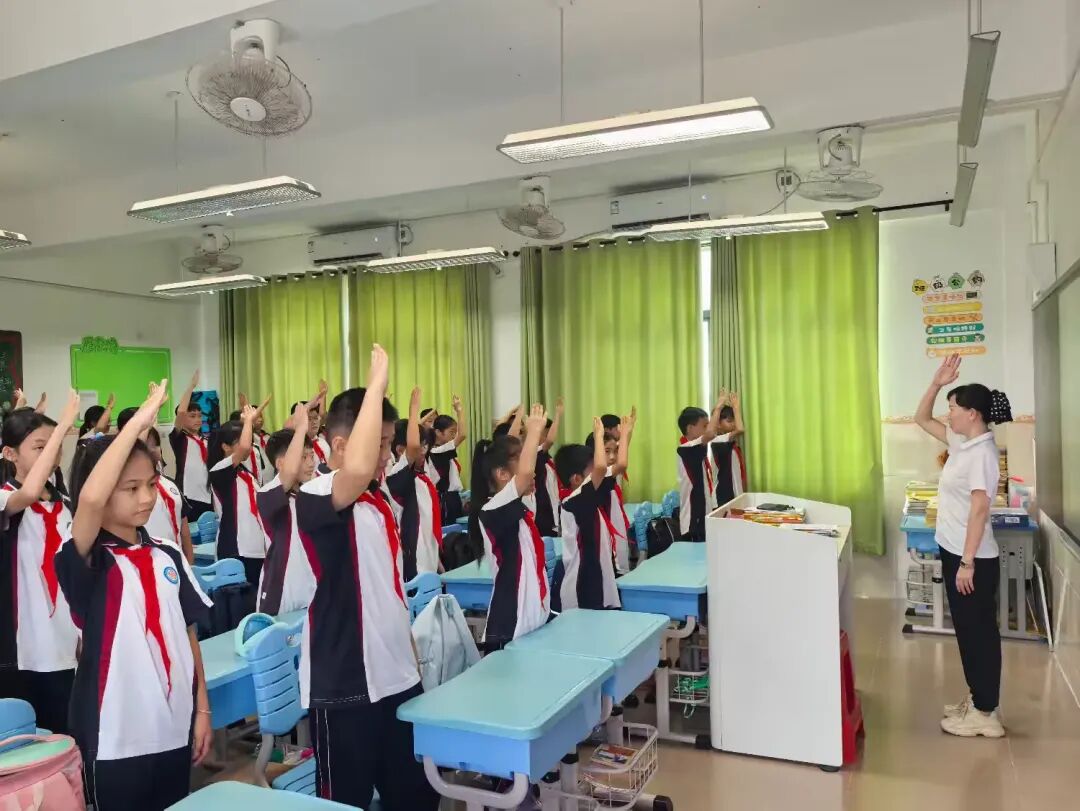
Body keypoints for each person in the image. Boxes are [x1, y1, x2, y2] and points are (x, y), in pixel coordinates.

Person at [292, 346, 438, 810]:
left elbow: (388, 591)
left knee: (415, 795)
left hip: (397, 675)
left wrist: (411, 656)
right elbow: (354, 471)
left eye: (389, 442)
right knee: (346, 800)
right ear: (340, 445)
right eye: (379, 441)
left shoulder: (377, 502)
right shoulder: (315, 495)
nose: (386, 454)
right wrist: (376, 385)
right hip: (345, 685)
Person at [57, 381, 212, 811]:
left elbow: (188, 634)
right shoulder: (86, 559)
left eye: (151, 483)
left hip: (174, 724)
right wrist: (139, 421)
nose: (147, 498)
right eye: (130, 488)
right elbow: (90, 500)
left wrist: (202, 710)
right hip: (115, 737)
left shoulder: (167, 552)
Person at [914, 354, 1011, 738]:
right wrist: (937, 383)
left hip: (972, 559)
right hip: (957, 550)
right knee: (969, 633)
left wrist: (967, 563)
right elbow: (921, 418)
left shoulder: (983, 454)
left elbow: (980, 508)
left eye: (953, 408)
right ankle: (979, 699)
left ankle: (986, 714)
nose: (948, 414)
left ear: (972, 414)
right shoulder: (964, 443)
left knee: (978, 635)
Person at [0, 395, 81, 733]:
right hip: (26, 651)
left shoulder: (65, 504)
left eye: (56, 446)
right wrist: (61, 427)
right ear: (9, 454)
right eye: (39, 447)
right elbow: (29, 493)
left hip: (68, 642)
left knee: (71, 734)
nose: (52, 453)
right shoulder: (5, 498)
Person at [471, 405, 550, 651]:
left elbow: (525, 474)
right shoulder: (492, 509)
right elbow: (525, 474)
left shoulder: (521, 504)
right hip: (510, 622)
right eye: (520, 458)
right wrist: (534, 432)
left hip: (531, 616)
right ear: (502, 474)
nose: (531, 470)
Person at [556, 411, 634, 610]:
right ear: (577, 479)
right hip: (583, 582)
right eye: (592, 472)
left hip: (597, 574)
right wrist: (598, 436)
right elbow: (601, 467)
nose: (600, 473)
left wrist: (625, 434)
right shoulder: (573, 501)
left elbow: (621, 465)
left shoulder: (588, 496)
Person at [256, 404, 317, 616]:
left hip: (311, 589)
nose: (311, 463)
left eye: (311, 456)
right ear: (281, 463)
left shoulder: (311, 493)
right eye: (303, 457)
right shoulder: (267, 493)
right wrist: (300, 429)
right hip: (282, 594)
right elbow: (289, 473)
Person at [118, 406, 197, 567]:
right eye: (146, 444)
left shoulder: (169, 483)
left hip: (176, 562)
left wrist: (189, 562)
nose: (152, 450)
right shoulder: (125, 485)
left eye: (155, 444)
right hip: (147, 563)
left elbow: (183, 527)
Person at [207, 406, 268, 588]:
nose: (247, 443)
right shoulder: (219, 470)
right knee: (240, 602)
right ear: (225, 447)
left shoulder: (245, 472)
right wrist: (248, 421)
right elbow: (244, 448)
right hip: (235, 547)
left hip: (255, 547)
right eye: (239, 440)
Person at [385, 389, 443, 581]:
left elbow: (429, 522)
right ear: (400, 450)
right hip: (414, 560)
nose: (424, 451)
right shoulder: (397, 475)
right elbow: (413, 447)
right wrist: (413, 411)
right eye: (421, 446)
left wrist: (437, 559)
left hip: (430, 556)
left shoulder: (422, 477)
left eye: (426, 446)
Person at [676, 397, 724, 541]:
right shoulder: (686, 449)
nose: (708, 428)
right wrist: (718, 408)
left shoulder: (697, 448)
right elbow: (711, 434)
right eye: (704, 425)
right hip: (692, 518)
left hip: (702, 512)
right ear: (690, 428)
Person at [170, 370, 211, 518]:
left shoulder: (206, 439)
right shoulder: (180, 438)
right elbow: (181, 412)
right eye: (192, 416)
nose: (198, 420)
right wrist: (191, 387)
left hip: (208, 492)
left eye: (199, 416)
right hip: (189, 493)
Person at [429, 395, 468, 524]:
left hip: (453, 497)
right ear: (438, 432)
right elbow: (463, 435)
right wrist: (459, 410)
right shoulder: (436, 451)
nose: (454, 435)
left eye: (455, 432)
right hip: (445, 500)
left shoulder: (443, 450)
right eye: (451, 432)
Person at [708, 392, 746, 509]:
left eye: (734, 420)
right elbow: (740, 429)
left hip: (733, 493)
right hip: (722, 496)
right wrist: (735, 407)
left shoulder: (730, 443)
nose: (734, 424)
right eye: (729, 421)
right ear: (718, 424)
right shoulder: (717, 440)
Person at [532, 397, 564, 537]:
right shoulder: (534, 454)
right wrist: (558, 415)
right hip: (542, 510)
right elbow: (550, 440)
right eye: (544, 434)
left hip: (553, 506)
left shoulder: (549, 458)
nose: (547, 438)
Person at [234, 393, 274, 485]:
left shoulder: (268, 437)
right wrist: (245, 409)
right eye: (256, 417)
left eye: (261, 416)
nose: (260, 419)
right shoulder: (247, 436)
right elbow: (244, 427)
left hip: (269, 478)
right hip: (253, 480)